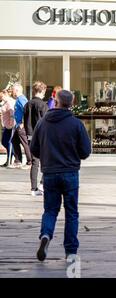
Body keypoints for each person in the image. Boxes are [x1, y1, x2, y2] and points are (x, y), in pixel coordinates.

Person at [30, 90, 91, 261]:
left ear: (55, 102)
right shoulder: (76, 124)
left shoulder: (42, 123)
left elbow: (34, 149)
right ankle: (70, 251)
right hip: (70, 173)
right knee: (71, 213)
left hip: (49, 173)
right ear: (71, 104)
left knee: (50, 210)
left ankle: (46, 235)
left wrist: (48, 155)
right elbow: (86, 151)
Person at [24, 81, 49, 196]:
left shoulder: (27, 104)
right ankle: (42, 184)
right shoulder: (43, 105)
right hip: (42, 136)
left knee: (34, 162)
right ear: (42, 91)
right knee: (47, 161)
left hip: (30, 135)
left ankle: (33, 189)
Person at [11, 83, 32, 169]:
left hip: (21, 126)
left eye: (13, 90)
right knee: (14, 141)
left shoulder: (21, 99)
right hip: (18, 125)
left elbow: (26, 110)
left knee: (25, 143)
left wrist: (23, 123)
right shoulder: (19, 99)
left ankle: (30, 162)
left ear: (17, 90)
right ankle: (18, 161)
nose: (12, 92)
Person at [0, 90, 15, 167]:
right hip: (6, 125)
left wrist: (11, 124)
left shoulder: (9, 102)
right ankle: (10, 158)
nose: (1, 98)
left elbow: (12, 114)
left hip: (10, 126)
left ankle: (10, 159)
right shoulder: (5, 102)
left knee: (8, 142)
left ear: (6, 95)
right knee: (4, 142)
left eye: (2, 96)